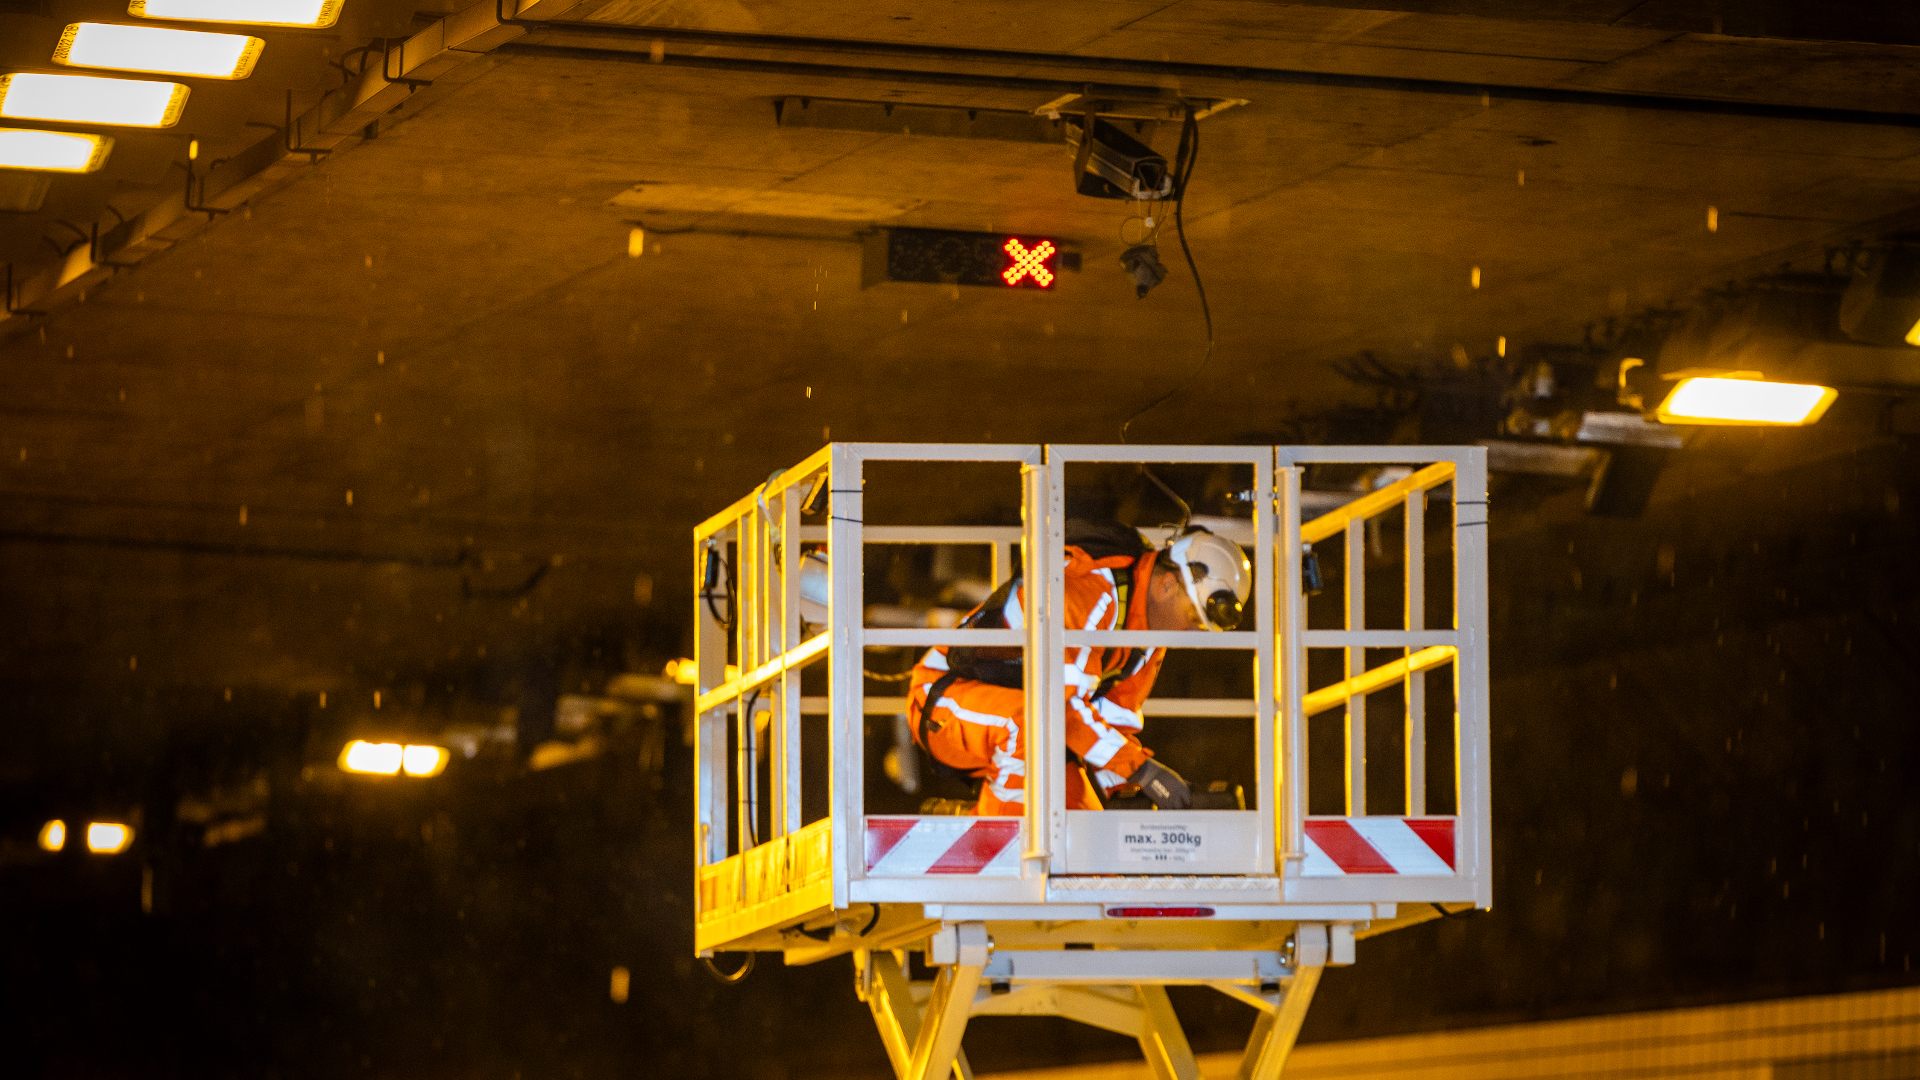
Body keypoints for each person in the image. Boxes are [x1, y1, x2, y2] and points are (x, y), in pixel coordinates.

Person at [907, 523, 1251, 815]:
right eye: (1193, 618)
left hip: (1034, 724)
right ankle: (1001, 847)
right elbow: (1064, 707)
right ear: (1166, 585)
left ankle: (969, 823)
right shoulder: (1091, 589)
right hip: (943, 699)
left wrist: (1131, 791)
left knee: (1084, 829)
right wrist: (1143, 771)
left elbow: (1114, 722)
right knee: (1027, 726)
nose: (1191, 634)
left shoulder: (1148, 637)